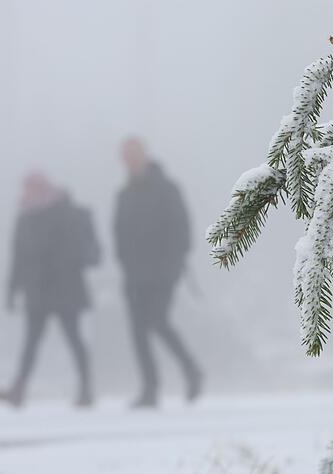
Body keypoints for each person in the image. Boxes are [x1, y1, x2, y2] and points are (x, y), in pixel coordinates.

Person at [0, 171, 100, 408]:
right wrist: (12, 290)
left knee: (74, 339)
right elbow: (18, 257)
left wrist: (64, 262)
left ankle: (86, 388)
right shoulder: (25, 218)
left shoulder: (66, 212)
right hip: (38, 290)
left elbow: (79, 249)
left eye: (33, 187)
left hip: (65, 288)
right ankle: (19, 388)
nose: (28, 192)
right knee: (31, 342)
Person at [115, 137, 202, 408]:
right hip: (134, 273)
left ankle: (191, 370)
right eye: (125, 155)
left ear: (144, 155)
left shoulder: (167, 189)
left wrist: (174, 262)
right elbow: (118, 231)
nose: (129, 160)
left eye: (133, 154)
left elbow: (182, 228)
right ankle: (150, 388)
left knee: (157, 321)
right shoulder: (124, 194)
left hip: (163, 271)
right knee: (138, 332)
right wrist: (125, 261)